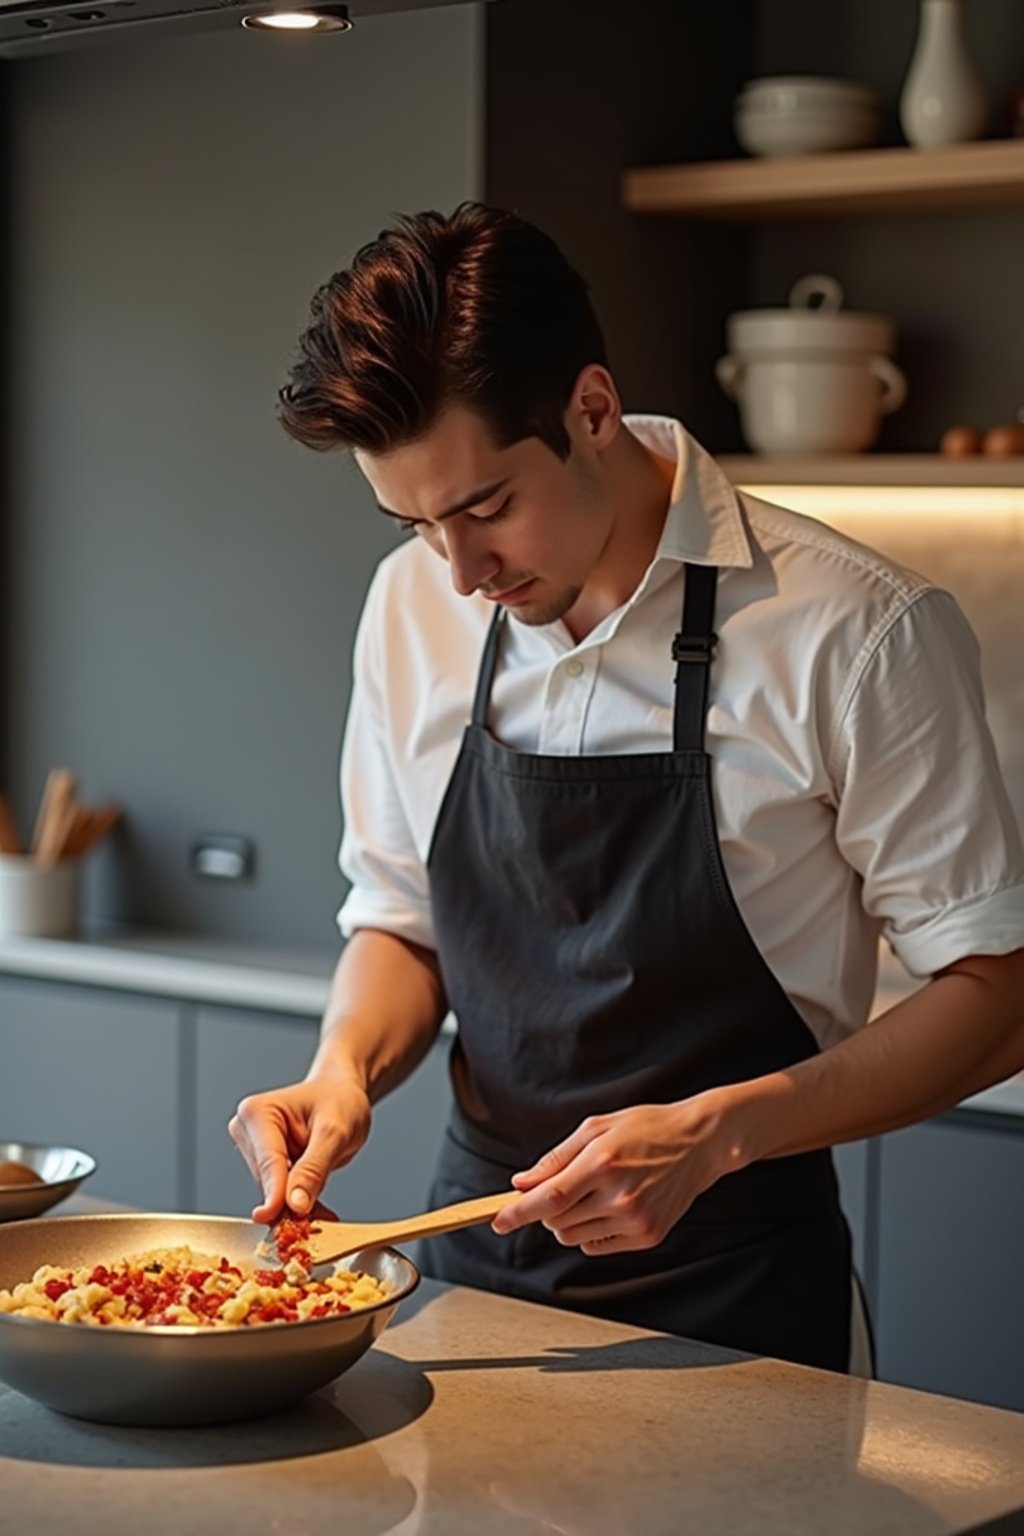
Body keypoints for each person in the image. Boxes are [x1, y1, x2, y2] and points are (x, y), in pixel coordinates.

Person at [229, 202, 1024, 1373]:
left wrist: (719, 1132)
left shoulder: (854, 629)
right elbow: (403, 922)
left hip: (741, 1304)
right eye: (412, 521)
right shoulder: (413, 603)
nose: (456, 572)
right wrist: (341, 1070)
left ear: (590, 409)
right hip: (471, 1285)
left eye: (485, 507)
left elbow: (997, 989)